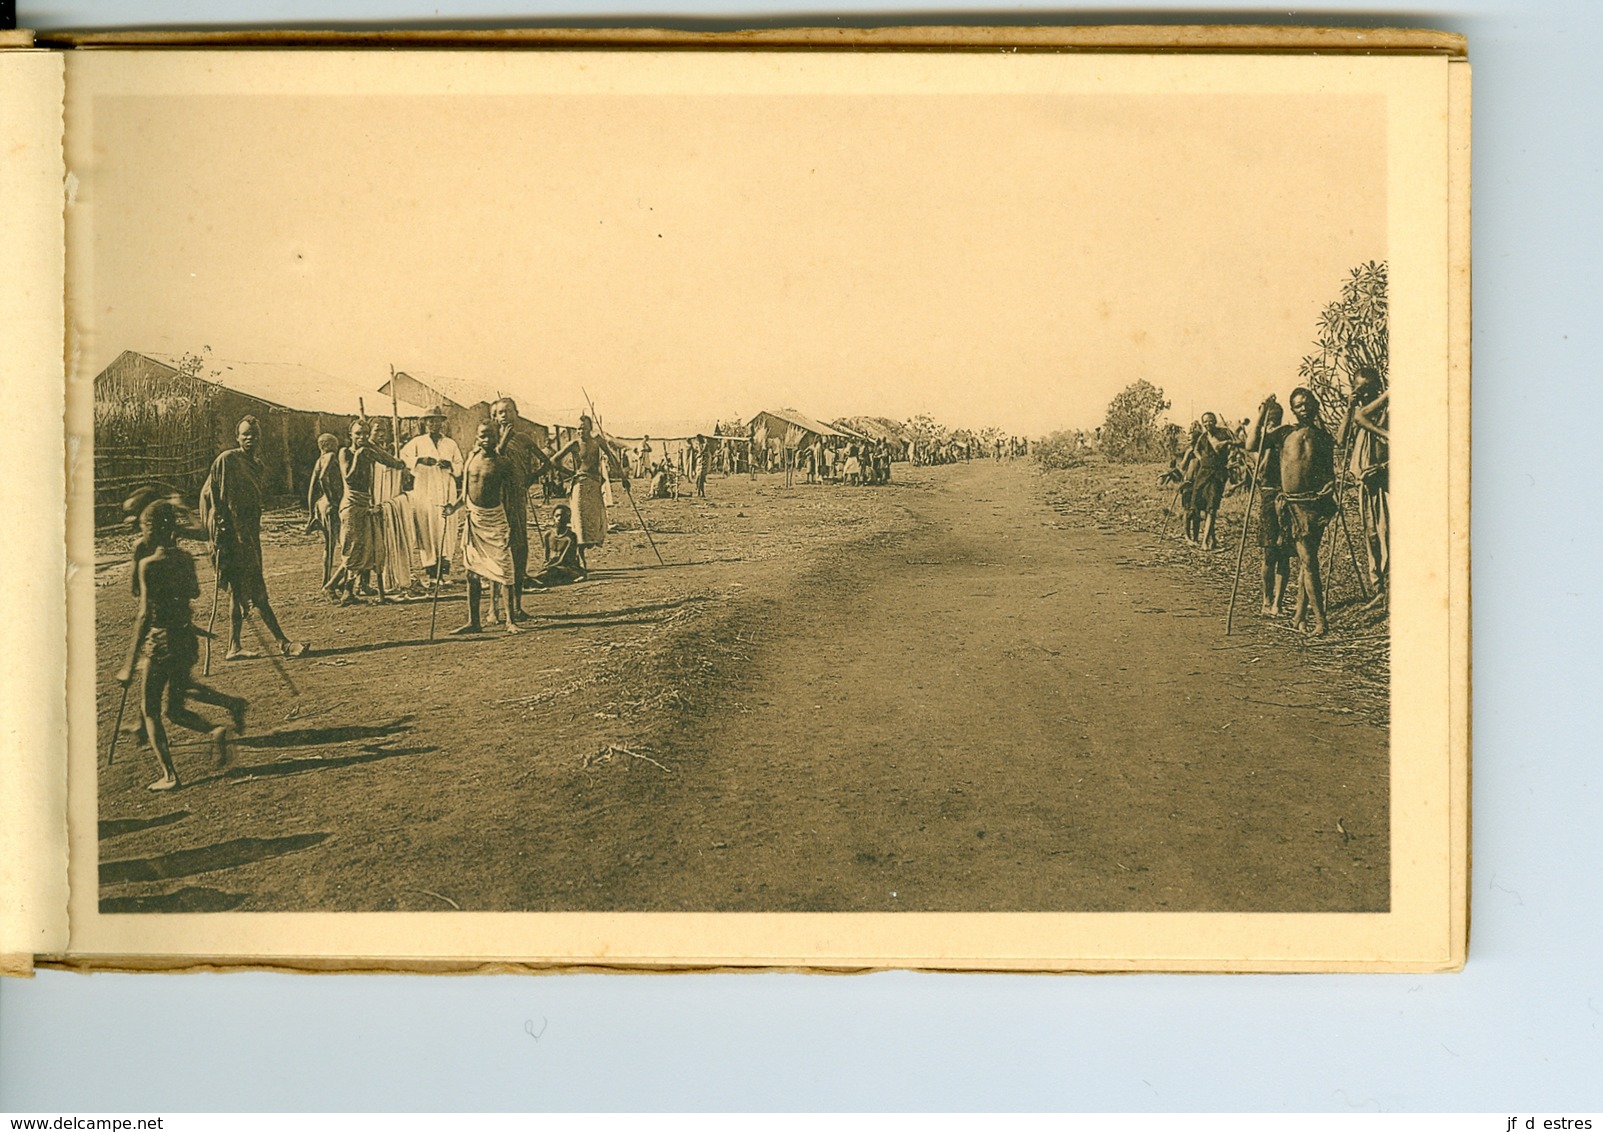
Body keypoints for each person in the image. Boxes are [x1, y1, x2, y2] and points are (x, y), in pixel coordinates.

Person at [117, 499, 248, 791]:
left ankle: (169, 775)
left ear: (151, 529)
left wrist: (128, 666)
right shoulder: (185, 559)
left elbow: (142, 616)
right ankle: (214, 730)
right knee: (174, 709)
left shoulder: (148, 565)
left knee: (150, 710)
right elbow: (193, 591)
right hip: (185, 639)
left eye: (142, 527)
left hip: (159, 643)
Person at [200, 415, 306, 660]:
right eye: (245, 434)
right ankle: (283, 642)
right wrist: (221, 537)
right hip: (232, 539)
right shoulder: (227, 460)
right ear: (237, 437)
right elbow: (218, 499)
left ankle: (233, 646)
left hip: (249, 536)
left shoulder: (257, 466)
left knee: (238, 593)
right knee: (257, 593)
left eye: (254, 435)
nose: (250, 439)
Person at [1263, 387, 1339, 635]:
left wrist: (1330, 485)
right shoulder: (1284, 433)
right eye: (1298, 405)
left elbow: (1328, 471)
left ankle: (1299, 615)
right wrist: (1264, 411)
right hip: (1293, 505)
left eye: (1307, 403)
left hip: (1316, 505)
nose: (1303, 408)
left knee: (1308, 562)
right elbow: (1252, 443)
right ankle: (1320, 621)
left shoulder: (1323, 437)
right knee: (1308, 563)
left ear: (1315, 405)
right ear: (1293, 410)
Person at [444, 422, 520, 634]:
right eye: (482, 436)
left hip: (495, 521)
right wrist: (453, 508)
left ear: (497, 438)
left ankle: (510, 620)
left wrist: (512, 526)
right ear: (477, 437)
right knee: (472, 572)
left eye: (490, 436)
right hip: (474, 520)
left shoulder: (503, 463)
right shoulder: (471, 459)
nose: (486, 440)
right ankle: (473, 621)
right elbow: (464, 493)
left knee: (505, 572)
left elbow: (512, 496)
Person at [489, 398, 556, 620]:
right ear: (494, 417)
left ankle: (516, 606)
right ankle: (493, 608)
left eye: (508, 411)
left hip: (517, 498)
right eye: (499, 412)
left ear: (516, 413)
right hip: (496, 499)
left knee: (519, 548)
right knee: (498, 551)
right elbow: (488, 464)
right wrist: (502, 441)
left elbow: (547, 462)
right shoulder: (488, 440)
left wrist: (531, 478)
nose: (504, 415)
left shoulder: (524, 439)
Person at [400, 406, 463, 586]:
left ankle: (444, 573)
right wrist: (419, 461)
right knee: (427, 527)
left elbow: (460, 465)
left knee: (446, 528)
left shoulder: (450, 444)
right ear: (425, 422)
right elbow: (402, 457)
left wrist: (449, 465)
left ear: (442, 423)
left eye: (437, 420)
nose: (433, 424)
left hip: (445, 488)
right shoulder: (417, 442)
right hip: (425, 490)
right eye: (430, 420)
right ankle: (431, 574)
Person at [1342, 368, 1390, 604]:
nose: (1361, 392)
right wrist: (1349, 407)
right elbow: (1342, 439)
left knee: (1386, 533)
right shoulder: (1358, 411)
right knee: (1371, 536)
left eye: (1366, 388)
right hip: (1365, 485)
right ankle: (1378, 588)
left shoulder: (1387, 410)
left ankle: (1390, 587)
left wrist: (1382, 468)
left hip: (1385, 483)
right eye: (1357, 387)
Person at [552, 414, 626, 562]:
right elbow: (554, 460)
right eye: (578, 429)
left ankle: (580, 553)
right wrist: (571, 473)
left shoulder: (598, 441)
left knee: (593, 521)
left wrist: (623, 477)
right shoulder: (574, 444)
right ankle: (580, 558)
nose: (580, 432)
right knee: (579, 521)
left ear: (590, 428)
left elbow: (612, 458)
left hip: (594, 485)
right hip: (579, 486)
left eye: (583, 428)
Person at [1246, 395, 1293, 617]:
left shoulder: (1286, 437)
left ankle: (1278, 603)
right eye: (1269, 418)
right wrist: (1262, 414)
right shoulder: (1263, 441)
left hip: (1287, 497)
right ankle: (1266, 599)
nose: (1272, 421)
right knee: (1269, 553)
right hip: (1268, 496)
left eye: (1276, 417)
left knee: (1284, 552)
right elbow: (1260, 466)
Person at [1186, 412, 1237, 550]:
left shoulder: (1224, 433)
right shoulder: (1203, 437)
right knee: (1198, 504)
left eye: (1210, 421)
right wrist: (1201, 458)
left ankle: (1205, 542)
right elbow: (1196, 450)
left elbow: (1237, 444)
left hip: (1217, 474)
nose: (1208, 424)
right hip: (1203, 474)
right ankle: (1210, 539)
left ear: (1215, 421)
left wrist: (1227, 444)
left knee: (1212, 508)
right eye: (1205, 422)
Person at [306, 433, 344, 589]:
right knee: (340, 544)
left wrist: (311, 514)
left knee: (329, 547)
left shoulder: (318, 461)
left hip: (320, 505)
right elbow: (322, 478)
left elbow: (311, 490)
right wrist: (331, 498)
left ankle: (325, 580)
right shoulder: (330, 456)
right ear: (329, 445)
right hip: (330, 505)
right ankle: (330, 584)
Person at [528, 502, 586, 588]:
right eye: (557, 516)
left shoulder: (570, 536)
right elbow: (546, 556)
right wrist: (546, 565)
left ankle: (540, 581)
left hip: (567, 567)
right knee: (546, 573)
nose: (560, 518)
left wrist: (550, 567)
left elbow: (566, 559)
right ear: (553, 517)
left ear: (568, 519)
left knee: (553, 572)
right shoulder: (548, 535)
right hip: (551, 567)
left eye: (563, 516)